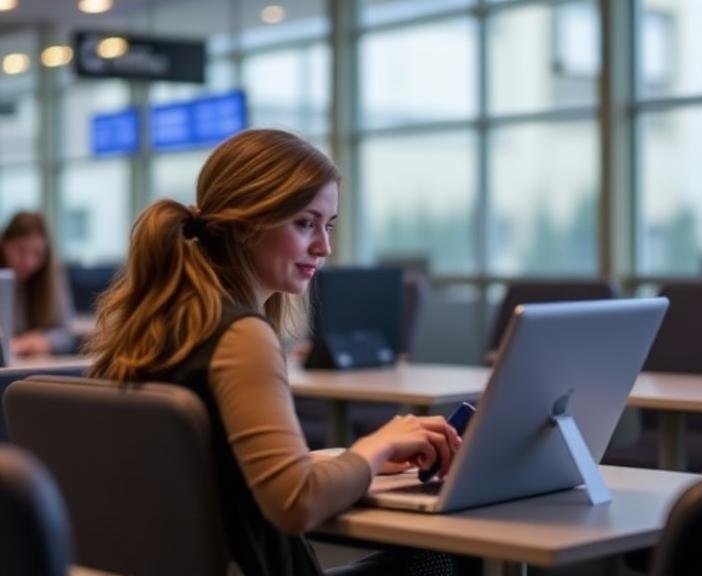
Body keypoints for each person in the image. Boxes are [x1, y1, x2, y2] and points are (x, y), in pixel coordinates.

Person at [85, 129, 470, 576]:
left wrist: (356, 460)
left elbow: (211, 472)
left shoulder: (159, 327)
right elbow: (296, 504)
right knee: (444, 559)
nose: (324, 247)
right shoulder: (241, 334)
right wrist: (371, 450)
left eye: (328, 226)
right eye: (305, 223)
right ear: (248, 223)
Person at [0, 211, 75, 356]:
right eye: (21, 250)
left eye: (37, 254)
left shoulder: (51, 278)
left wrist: (42, 341)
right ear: (4, 245)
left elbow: (66, 335)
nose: (28, 261)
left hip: (33, 366)